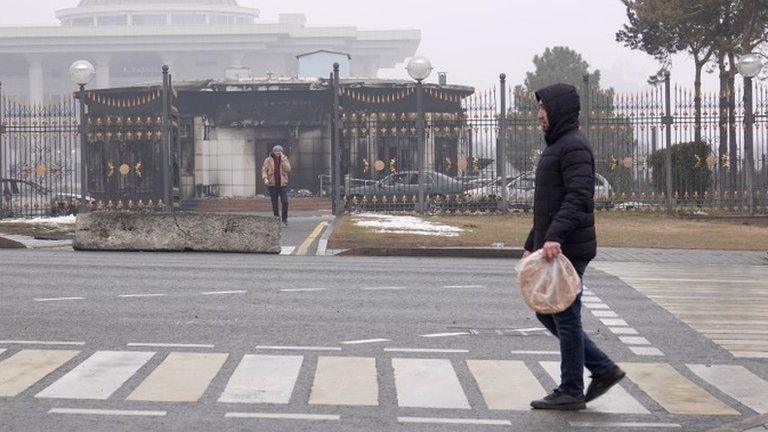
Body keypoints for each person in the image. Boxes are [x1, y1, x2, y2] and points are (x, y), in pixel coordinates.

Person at [524, 83, 625, 411]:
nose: (539, 115)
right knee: (548, 312)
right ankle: (602, 368)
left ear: (559, 111)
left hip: (569, 246)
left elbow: (579, 197)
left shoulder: (573, 147)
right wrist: (532, 242)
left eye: (543, 109)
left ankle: (571, 388)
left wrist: (554, 237)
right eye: (539, 109)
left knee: (564, 316)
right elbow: (549, 204)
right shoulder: (559, 145)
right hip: (557, 243)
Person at [261, 145, 291, 227]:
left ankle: (284, 219)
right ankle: (276, 218)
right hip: (272, 184)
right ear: (274, 152)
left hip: (282, 184)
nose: (278, 152)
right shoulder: (268, 160)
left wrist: (283, 160)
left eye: (280, 151)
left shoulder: (284, 159)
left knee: (285, 201)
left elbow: (288, 169)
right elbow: (264, 170)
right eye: (277, 151)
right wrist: (265, 179)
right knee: (274, 202)